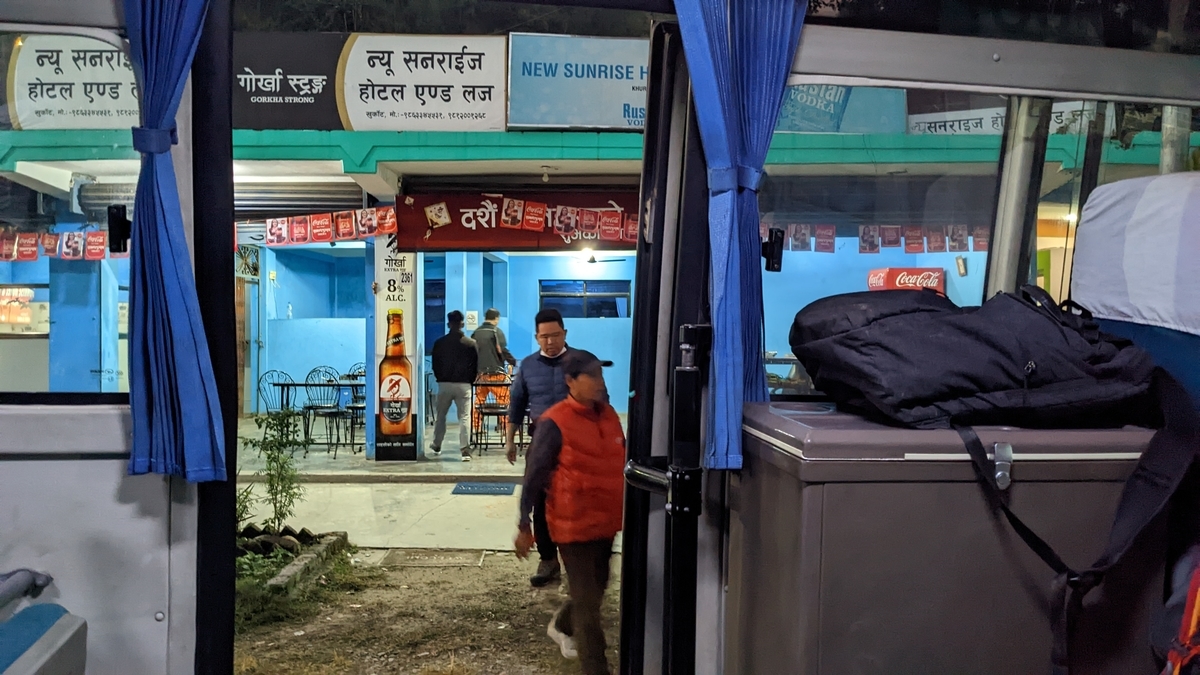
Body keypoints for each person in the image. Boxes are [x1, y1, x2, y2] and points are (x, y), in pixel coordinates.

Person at [515, 350, 624, 675]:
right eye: (592, 376)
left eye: (601, 375)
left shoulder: (609, 415)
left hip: (605, 523)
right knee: (589, 609)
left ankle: (562, 623)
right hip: (573, 527)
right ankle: (596, 668)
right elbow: (534, 476)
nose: (599, 382)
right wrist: (524, 524)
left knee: (595, 590)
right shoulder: (554, 422)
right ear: (571, 382)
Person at [507, 308, 572, 587]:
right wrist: (510, 440)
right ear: (536, 338)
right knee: (540, 503)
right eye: (544, 337)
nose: (550, 341)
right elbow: (517, 404)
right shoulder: (528, 366)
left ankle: (577, 563)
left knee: (574, 503)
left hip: (574, 446)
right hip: (541, 445)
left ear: (564, 333)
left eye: (555, 335)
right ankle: (548, 560)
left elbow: (599, 402)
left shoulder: (580, 362)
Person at [430, 310, 477, 461]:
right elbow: (475, 366)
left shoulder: (439, 343)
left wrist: (440, 378)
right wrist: (470, 380)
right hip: (464, 385)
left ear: (448, 324)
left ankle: (437, 444)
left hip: (444, 384)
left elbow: (435, 365)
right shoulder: (471, 344)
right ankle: (465, 450)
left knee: (441, 416)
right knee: (464, 417)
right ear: (462, 324)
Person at [472, 308, 517, 375]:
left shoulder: (476, 332)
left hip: (479, 373)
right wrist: (513, 362)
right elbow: (503, 350)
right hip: (495, 372)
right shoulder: (496, 332)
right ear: (496, 318)